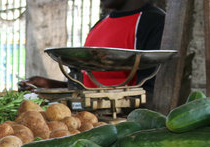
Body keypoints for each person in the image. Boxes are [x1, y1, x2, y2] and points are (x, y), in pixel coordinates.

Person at [19, 0, 165, 95]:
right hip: (87, 120)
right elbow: (88, 86)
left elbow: (149, 93)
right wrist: (49, 85)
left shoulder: (155, 22)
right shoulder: (100, 24)